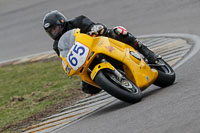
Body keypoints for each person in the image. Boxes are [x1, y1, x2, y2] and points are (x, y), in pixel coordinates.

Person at [43, 10, 158, 95]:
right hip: (88, 61)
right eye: (51, 32)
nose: (54, 33)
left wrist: (95, 29)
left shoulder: (78, 21)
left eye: (55, 28)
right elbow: (65, 58)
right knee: (87, 88)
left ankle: (147, 52)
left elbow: (96, 26)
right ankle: (113, 83)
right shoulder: (57, 45)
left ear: (62, 22)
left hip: (103, 45)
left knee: (118, 31)